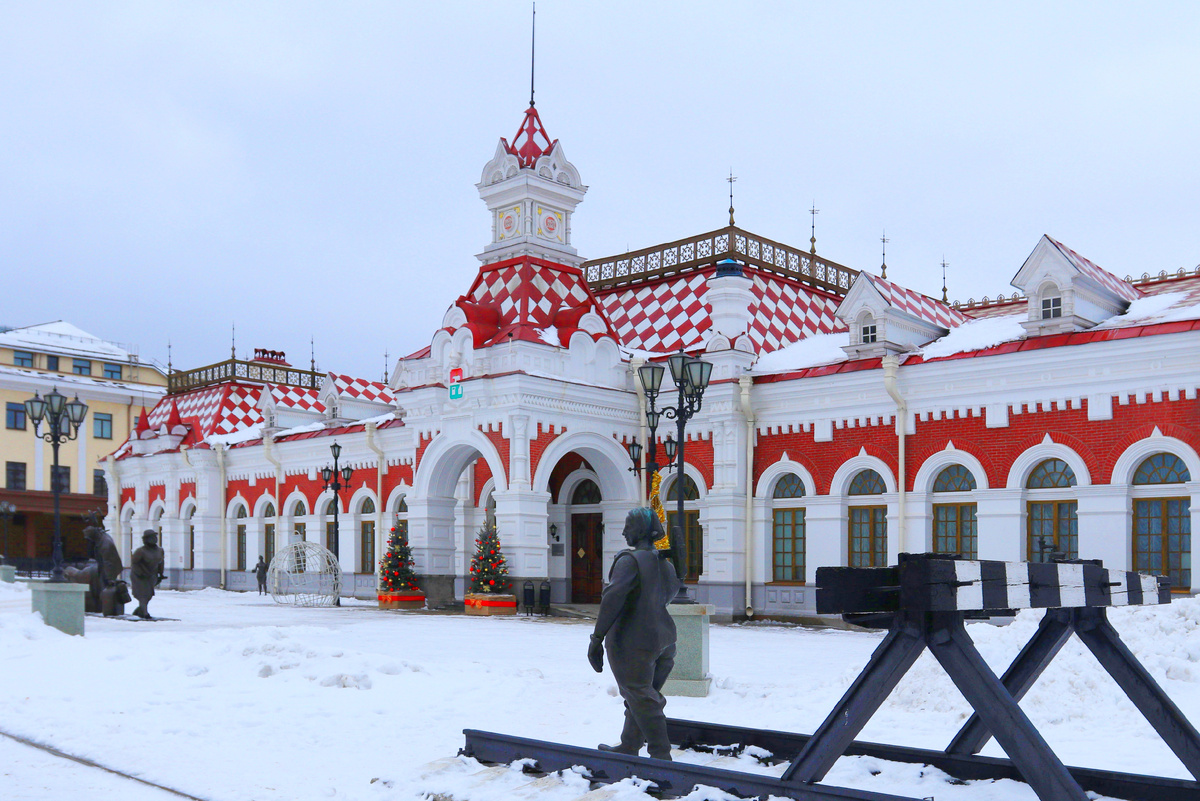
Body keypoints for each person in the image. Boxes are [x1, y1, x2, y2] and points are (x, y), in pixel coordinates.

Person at [587, 507, 683, 761]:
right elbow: (671, 592)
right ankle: (630, 744)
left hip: (633, 642)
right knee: (640, 696)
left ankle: (661, 756)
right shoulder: (665, 564)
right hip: (665, 639)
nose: (623, 532)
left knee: (641, 697)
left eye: (628, 526)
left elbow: (612, 599)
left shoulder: (629, 561)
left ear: (640, 530)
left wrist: (597, 639)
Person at [130, 529, 165, 619]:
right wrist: (140, 573)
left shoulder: (160, 550)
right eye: (152, 537)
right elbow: (135, 563)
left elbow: (161, 562)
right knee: (143, 594)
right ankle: (145, 613)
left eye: (155, 537)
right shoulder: (140, 551)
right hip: (139, 576)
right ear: (146, 539)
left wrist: (161, 574)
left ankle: (140, 610)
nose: (154, 539)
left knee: (149, 595)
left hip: (151, 575)